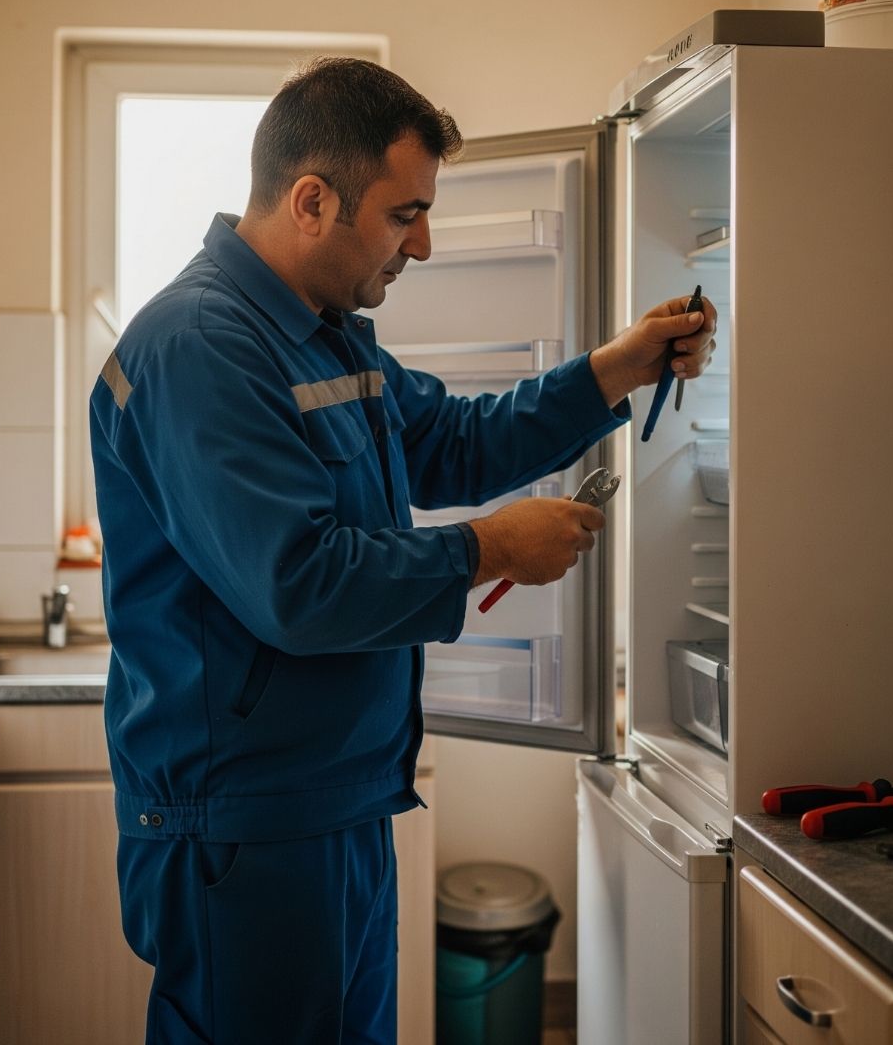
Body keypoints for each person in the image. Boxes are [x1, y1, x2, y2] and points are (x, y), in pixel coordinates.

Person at [90, 56, 716, 1045]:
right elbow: (298, 584)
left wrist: (613, 371)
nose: (421, 244)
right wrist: (488, 547)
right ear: (311, 200)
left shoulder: (321, 338)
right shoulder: (203, 346)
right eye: (401, 214)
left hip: (332, 797)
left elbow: (451, 439)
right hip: (247, 824)